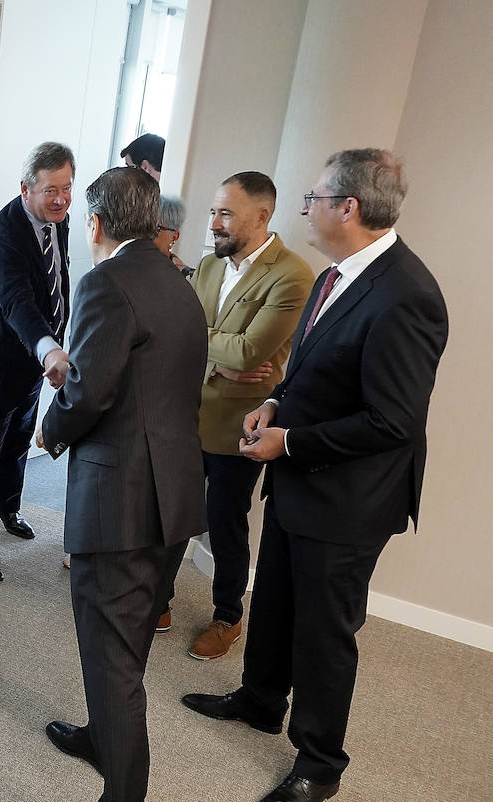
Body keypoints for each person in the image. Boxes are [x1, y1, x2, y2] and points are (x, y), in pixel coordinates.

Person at [182, 149, 449, 802]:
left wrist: (290, 440)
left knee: (325, 632)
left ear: (347, 208)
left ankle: (319, 763)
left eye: (314, 197)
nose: (307, 208)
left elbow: (392, 421)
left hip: (350, 500)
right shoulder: (336, 276)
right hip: (299, 478)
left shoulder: (406, 294)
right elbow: (314, 376)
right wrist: (275, 405)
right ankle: (260, 700)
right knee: (272, 599)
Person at [37, 166, 207, 802]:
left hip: (123, 504)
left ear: (99, 223)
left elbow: (90, 390)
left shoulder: (105, 283)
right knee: (126, 647)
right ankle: (104, 736)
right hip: (172, 495)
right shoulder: (177, 278)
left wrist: (50, 429)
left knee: (113, 662)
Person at [169, 172, 312, 659]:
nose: (213, 223)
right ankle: (158, 601)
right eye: (213, 211)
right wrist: (219, 354)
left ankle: (228, 616)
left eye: (225, 213)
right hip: (187, 414)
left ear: (262, 216)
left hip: (239, 427)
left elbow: (251, 353)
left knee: (223, 520)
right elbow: (183, 335)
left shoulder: (293, 274)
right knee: (173, 510)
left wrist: (212, 345)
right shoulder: (209, 266)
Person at [0, 142, 74, 583]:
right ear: (26, 189)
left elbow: (57, 282)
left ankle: (7, 507)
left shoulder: (56, 222)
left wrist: (52, 345)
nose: (60, 199)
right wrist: (49, 348)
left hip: (32, 365)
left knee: (18, 440)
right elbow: (17, 303)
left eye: (66, 188)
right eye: (50, 190)